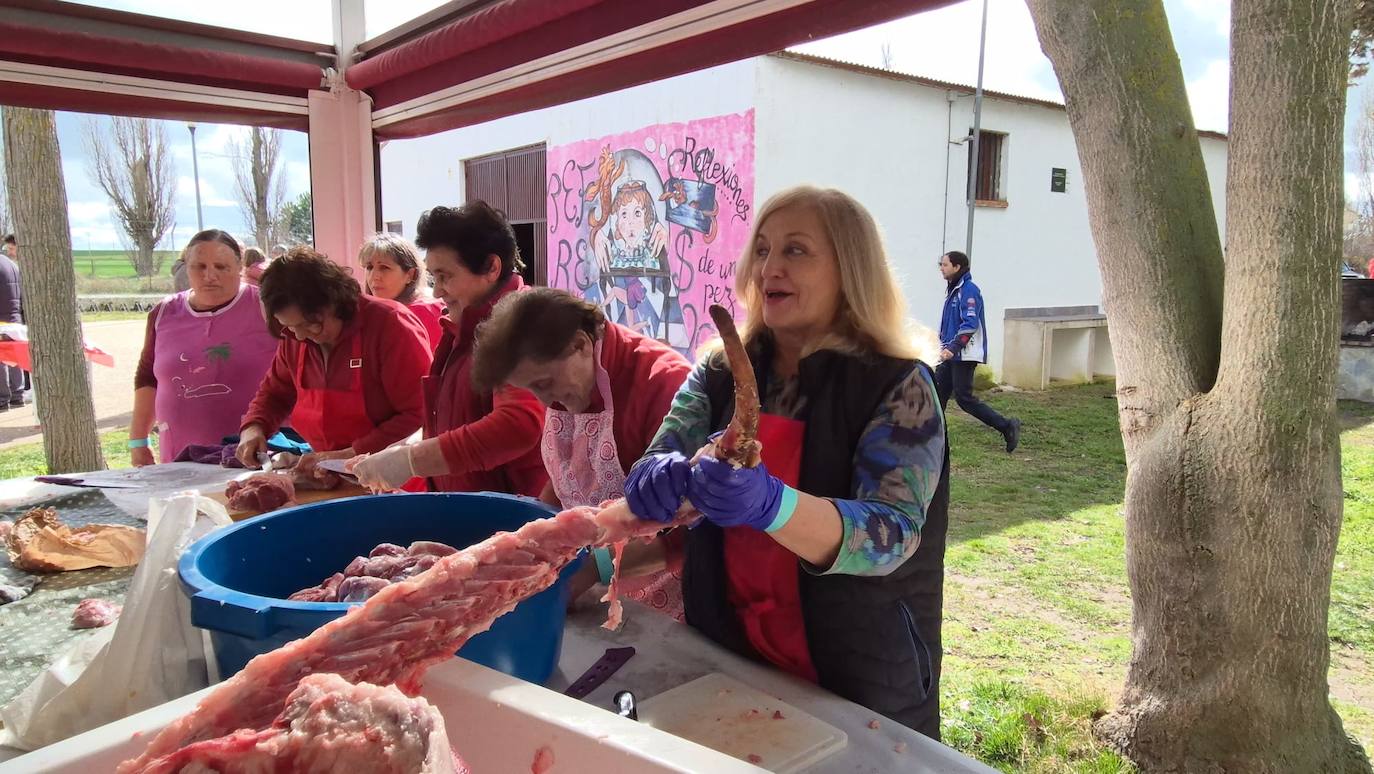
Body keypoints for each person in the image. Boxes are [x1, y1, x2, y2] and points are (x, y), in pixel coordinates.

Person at [622, 186, 950, 737]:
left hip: (855, 674)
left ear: (850, 271)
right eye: (763, 249)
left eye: (796, 250)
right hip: (728, 652)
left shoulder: (898, 385)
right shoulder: (718, 371)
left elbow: (891, 536)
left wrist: (773, 506)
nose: (770, 267)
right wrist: (657, 477)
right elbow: (661, 454)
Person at [469, 287, 692, 617]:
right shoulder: (571, 381)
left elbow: (689, 531)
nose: (544, 401)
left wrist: (590, 570)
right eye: (531, 389)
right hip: (598, 589)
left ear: (580, 344)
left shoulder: (664, 385)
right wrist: (528, 538)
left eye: (543, 384)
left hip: (667, 602)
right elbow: (569, 480)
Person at [349, 201, 546, 496]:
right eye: (433, 277)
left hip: (511, 513)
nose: (438, 291)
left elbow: (518, 425)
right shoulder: (462, 322)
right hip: (466, 504)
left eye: (445, 276)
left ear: (492, 267)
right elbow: (454, 414)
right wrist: (411, 444)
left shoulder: (522, 325)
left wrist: (413, 460)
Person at [235, 247, 433, 477]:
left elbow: (420, 413)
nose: (299, 335)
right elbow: (275, 393)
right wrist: (254, 428)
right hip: (331, 475)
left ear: (335, 302)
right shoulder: (295, 337)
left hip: (393, 476)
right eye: (289, 326)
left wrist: (352, 453)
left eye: (310, 324)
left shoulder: (390, 324)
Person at [130, 230, 278, 464]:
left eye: (221, 267)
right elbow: (148, 378)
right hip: (180, 454)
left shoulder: (266, 307)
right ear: (185, 268)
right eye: (199, 267)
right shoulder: (163, 313)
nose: (210, 276)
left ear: (240, 267)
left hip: (253, 453)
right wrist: (138, 442)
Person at [936, 250, 1020, 452]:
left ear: (957, 267)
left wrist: (953, 348)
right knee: (937, 396)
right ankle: (930, 438)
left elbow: (970, 324)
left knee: (964, 399)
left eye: (945, 264)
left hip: (963, 354)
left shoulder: (969, 290)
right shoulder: (954, 290)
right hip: (949, 353)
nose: (941, 268)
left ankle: (1007, 426)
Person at [359, 233, 446, 349]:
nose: (374, 276)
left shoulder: (425, 311)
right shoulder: (367, 313)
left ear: (410, 274)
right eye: (369, 267)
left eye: (384, 267)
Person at [0, 236, 23, 409]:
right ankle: (17, 395)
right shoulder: (12, 265)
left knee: (2, 359)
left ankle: (2, 399)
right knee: (15, 358)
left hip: (2, 318)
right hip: (15, 316)